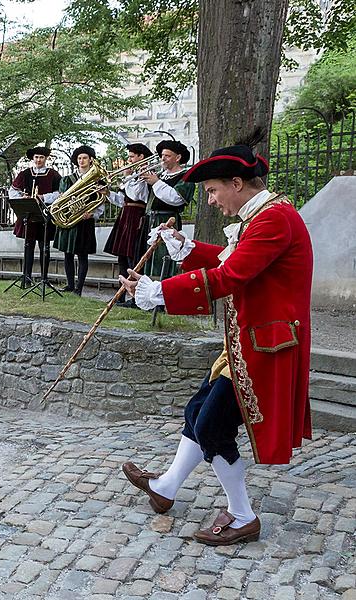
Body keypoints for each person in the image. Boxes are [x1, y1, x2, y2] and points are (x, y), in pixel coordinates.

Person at [118, 135, 313, 545]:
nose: (209, 200)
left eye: (211, 190)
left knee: (212, 428)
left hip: (265, 347)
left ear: (236, 184)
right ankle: (167, 487)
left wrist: (159, 292)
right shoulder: (261, 216)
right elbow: (230, 261)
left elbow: (229, 277)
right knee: (198, 410)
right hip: (246, 343)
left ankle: (243, 516)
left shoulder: (273, 219)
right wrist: (185, 247)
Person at [104, 144, 154, 307]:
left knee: (134, 257)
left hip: (137, 217)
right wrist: (107, 193)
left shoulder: (146, 174)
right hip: (126, 215)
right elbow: (123, 200)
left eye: (132, 156)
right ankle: (120, 295)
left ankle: (135, 297)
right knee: (122, 257)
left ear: (141, 157)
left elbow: (137, 195)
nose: (129, 160)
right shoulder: (133, 176)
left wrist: (129, 177)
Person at [139, 140, 194, 279]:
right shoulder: (160, 175)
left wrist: (156, 182)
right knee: (147, 257)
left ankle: (162, 292)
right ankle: (145, 293)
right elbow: (144, 198)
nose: (163, 158)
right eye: (162, 155)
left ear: (178, 158)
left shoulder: (186, 176)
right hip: (150, 221)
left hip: (167, 220)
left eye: (167, 156)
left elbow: (175, 198)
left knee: (163, 257)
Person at [55, 145, 106, 296]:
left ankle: (79, 288)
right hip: (70, 220)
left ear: (91, 160)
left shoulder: (97, 180)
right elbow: (62, 198)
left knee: (82, 255)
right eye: (79, 158)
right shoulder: (67, 179)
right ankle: (70, 284)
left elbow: (100, 201)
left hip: (85, 221)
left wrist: (92, 213)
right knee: (68, 254)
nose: (81, 161)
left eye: (84, 158)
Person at [9, 146, 62, 285]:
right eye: (36, 157)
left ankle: (44, 278)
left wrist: (43, 197)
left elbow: (60, 194)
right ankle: (27, 277)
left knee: (45, 246)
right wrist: (23, 197)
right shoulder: (25, 173)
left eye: (41, 157)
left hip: (45, 214)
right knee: (28, 246)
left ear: (46, 159)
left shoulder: (53, 174)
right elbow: (12, 192)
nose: (39, 160)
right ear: (33, 158)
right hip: (29, 214)